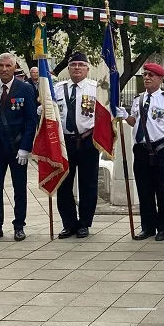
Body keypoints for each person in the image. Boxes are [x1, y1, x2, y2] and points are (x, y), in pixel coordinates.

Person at [0, 53, 39, 241]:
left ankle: (19, 225)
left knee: (19, 188)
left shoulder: (25, 88)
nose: (4, 69)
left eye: (8, 66)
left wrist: (26, 147)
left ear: (14, 67)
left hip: (17, 147)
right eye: (1, 66)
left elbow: (31, 121)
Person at [119, 62, 164, 241]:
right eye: (145, 75)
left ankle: (163, 227)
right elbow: (134, 122)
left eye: (151, 75)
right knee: (144, 191)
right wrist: (125, 116)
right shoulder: (138, 99)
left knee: (162, 190)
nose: (146, 78)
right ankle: (148, 227)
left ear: (160, 78)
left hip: (161, 148)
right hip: (141, 149)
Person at [53, 52, 100, 238]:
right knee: (63, 184)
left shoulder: (96, 89)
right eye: (73, 65)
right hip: (65, 141)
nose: (77, 68)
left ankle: (84, 224)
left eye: (81, 64)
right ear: (68, 68)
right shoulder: (57, 89)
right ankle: (69, 224)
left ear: (87, 68)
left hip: (88, 140)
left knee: (88, 184)